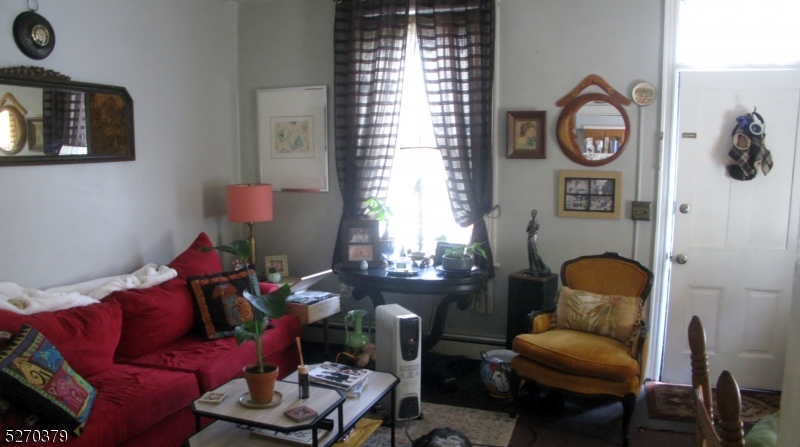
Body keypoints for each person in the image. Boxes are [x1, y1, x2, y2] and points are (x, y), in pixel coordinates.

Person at [526, 210, 551, 276]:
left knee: (534, 252)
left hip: (533, 236)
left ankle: (539, 267)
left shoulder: (537, 222)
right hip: (529, 236)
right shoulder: (530, 222)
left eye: (534, 213)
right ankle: (531, 267)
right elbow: (527, 230)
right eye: (532, 213)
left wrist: (531, 233)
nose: (533, 214)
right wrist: (528, 227)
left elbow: (536, 231)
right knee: (530, 252)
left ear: (536, 214)